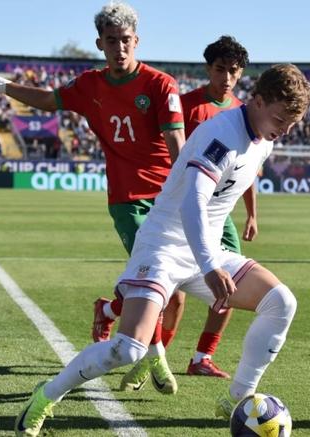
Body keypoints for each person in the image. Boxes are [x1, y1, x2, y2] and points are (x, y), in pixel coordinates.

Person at [13, 63, 310, 437]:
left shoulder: (264, 138)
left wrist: (215, 252)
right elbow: (192, 202)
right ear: (258, 100)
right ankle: (45, 396)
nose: (284, 131)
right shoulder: (221, 134)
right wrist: (209, 265)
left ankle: (238, 399)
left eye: (292, 124)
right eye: (281, 119)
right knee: (128, 350)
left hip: (205, 247)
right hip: (163, 246)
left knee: (281, 302)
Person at [0, 1, 184, 393]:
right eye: (111, 41)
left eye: (125, 40)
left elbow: (177, 145)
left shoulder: (161, 85)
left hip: (169, 197)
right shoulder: (90, 86)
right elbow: (48, 100)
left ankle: (109, 310)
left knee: (175, 292)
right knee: (153, 277)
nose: (119, 48)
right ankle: (154, 355)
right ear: (100, 44)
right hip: (128, 199)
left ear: (137, 40)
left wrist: (190, 193)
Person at [92, 35, 254, 381]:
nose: (226, 77)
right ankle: (146, 352)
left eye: (233, 71)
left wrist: (252, 213)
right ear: (208, 69)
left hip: (219, 211)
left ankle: (202, 357)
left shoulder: (244, 113)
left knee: (231, 285)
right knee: (171, 291)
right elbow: (165, 150)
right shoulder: (187, 106)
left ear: (241, 73)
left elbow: (248, 169)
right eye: (220, 69)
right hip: (183, 206)